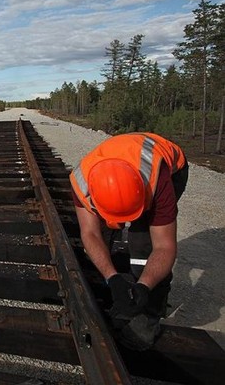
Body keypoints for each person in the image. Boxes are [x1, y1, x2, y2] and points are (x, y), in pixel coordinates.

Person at [69, 132, 188, 350]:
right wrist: (112, 278)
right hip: (121, 169)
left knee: (144, 243)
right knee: (103, 239)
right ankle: (119, 294)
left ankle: (148, 318)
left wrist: (144, 286)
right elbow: (90, 234)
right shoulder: (81, 182)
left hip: (171, 168)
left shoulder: (158, 182)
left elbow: (165, 246)